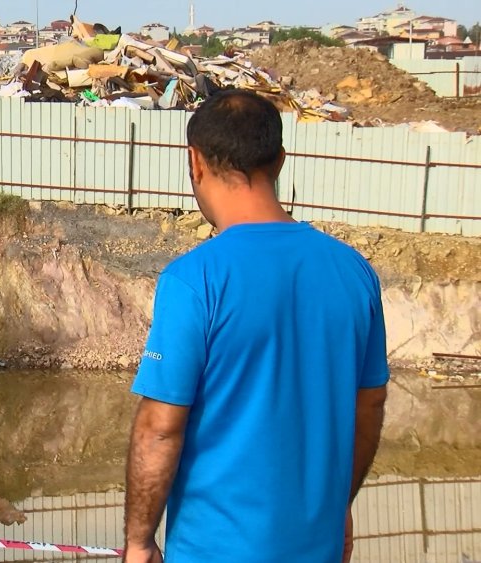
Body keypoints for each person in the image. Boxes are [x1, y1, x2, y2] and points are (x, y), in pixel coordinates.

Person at [123, 89, 388, 563]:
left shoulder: (194, 280)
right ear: (281, 161)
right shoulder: (354, 272)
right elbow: (369, 404)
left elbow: (160, 429)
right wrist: (337, 505)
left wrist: (140, 543)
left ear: (195, 161)